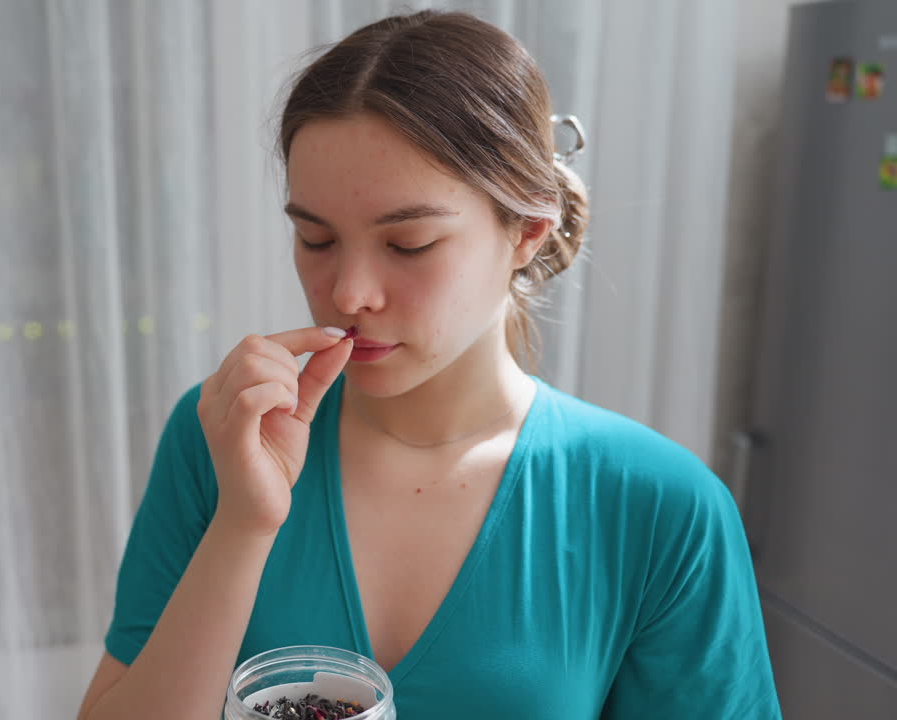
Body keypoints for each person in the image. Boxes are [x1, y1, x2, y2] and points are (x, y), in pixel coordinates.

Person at [78, 9, 780, 719]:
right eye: (316, 240)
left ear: (527, 233)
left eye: (408, 244)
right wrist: (244, 524)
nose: (349, 293)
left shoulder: (660, 507)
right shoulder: (224, 436)